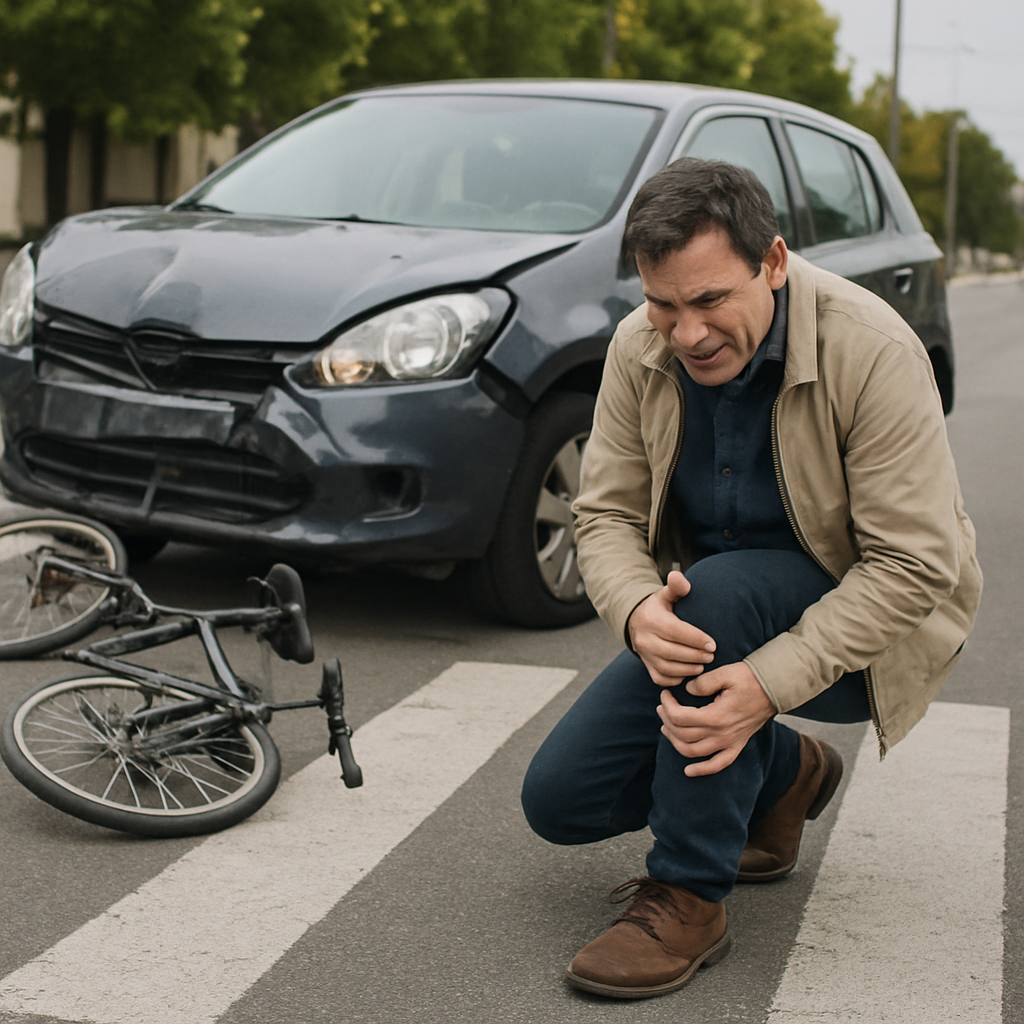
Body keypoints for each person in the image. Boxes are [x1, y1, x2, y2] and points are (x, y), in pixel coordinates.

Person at [520, 158, 982, 1000]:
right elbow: (605, 515)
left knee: (720, 591)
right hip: (718, 622)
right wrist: (635, 611)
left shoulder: (870, 347)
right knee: (561, 801)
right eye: (663, 304)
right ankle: (784, 773)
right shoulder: (638, 347)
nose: (686, 332)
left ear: (771, 262)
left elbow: (913, 564)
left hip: (870, 636)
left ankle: (689, 896)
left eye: (709, 300)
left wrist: (769, 684)